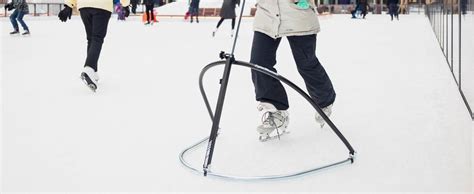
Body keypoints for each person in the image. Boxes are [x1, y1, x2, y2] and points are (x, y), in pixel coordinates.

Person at [251, 0, 336, 140]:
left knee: (306, 64)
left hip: (297, 12)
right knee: (259, 63)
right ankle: (277, 110)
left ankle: (324, 101)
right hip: (267, 14)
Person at [58, 0, 130, 92]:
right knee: (97, 38)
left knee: (91, 38)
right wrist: (126, 4)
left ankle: (94, 72)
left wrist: (69, 5)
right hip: (102, 6)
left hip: (84, 6)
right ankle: (89, 68)